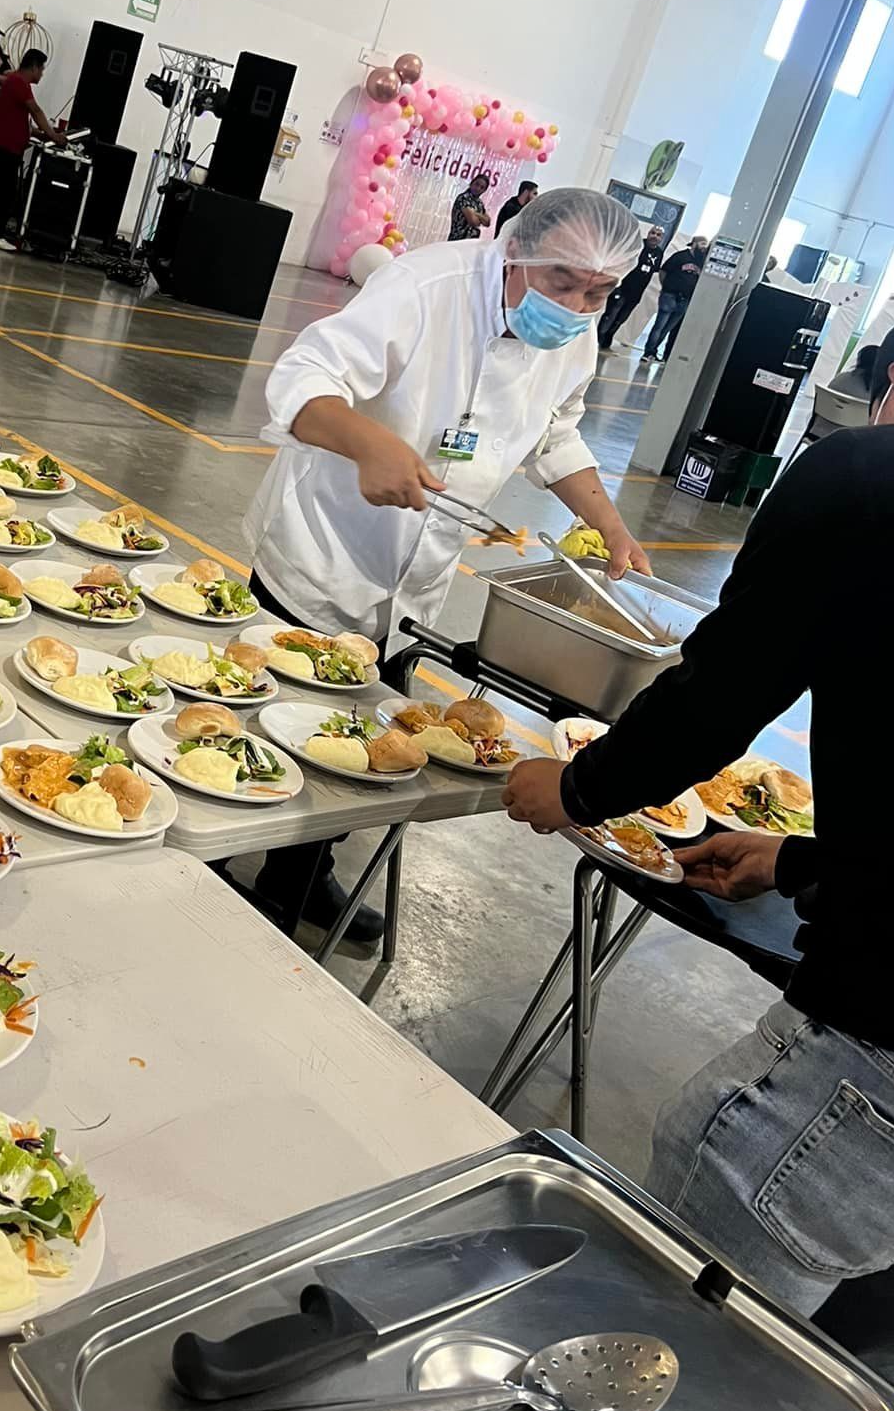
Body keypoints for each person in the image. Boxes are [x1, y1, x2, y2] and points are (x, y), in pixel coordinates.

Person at [502, 317, 894, 1380]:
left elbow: (718, 695)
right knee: (838, 1358)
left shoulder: (869, 480)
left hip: (890, 1053)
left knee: (676, 1317)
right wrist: (802, 862)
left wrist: (579, 786)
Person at [244, 187, 650, 946]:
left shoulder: (576, 333)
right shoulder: (424, 288)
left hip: (414, 581)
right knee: (276, 722)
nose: (576, 306)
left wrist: (611, 524)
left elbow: (556, 433)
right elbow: (302, 378)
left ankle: (299, 874)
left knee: (368, 741)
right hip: (324, 549)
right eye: (561, 283)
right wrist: (369, 443)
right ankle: (236, 867)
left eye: (599, 292)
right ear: (514, 251)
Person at [0, 49, 58, 250]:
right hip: (7, 147)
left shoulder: (12, 81)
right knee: (5, 192)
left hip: (1, 143)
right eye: (42, 69)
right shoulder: (20, 83)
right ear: (34, 67)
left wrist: (40, 133)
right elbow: (35, 110)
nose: (42, 74)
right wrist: (54, 135)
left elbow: (20, 119)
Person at [640, 234, 709, 363]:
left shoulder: (702, 262)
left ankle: (653, 351)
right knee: (659, 325)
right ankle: (648, 352)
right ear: (694, 244)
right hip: (670, 295)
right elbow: (663, 271)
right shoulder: (680, 256)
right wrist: (666, 286)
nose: (704, 247)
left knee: (667, 328)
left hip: (685, 299)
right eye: (702, 244)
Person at [597, 225, 666, 350]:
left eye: (658, 235)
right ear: (648, 233)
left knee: (621, 318)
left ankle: (607, 339)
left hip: (636, 293)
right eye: (653, 233)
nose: (654, 236)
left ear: (661, 239)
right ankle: (598, 338)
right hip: (623, 287)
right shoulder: (638, 246)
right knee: (610, 315)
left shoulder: (659, 253)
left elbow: (654, 270)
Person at [448, 171, 493, 241]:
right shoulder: (463, 198)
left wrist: (476, 213)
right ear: (472, 183)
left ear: (484, 190)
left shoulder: (479, 202)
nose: (478, 188)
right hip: (458, 240)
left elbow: (487, 222)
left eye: (482, 187)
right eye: (477, 184)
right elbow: (473, 222)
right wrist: (481, 218)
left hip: (471, 242)